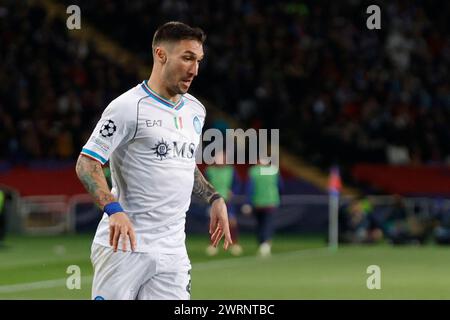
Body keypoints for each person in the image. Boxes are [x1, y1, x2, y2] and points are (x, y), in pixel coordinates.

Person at [75, 21, 232, 300]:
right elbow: (87, 163)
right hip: (124, 247)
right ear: (160, 55)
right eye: (187, 58)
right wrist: (114, 210)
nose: (195, 70)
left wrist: (214, 197)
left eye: (198, 60)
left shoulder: (196, 110)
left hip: (173, 252)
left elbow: (184, 164)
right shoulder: (127, 108)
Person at [205, 150, 242, 256]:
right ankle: (213, 245)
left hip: (227, 201)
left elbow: (237, 184)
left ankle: (234, 244)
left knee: (231, 221)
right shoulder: (209, 170)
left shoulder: (231, 170)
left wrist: (233, 192)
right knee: (213, 222)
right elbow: (205, 184)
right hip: (214, 201)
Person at [243, 161, 282, 257]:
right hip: (269, 202)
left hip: (260, 202)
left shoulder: (253, 171)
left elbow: (249, 188)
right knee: (265, 224)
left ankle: (264, 243)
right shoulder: (273, 170)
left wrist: (247, 203)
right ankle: (264, 243)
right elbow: (280, 186)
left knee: (263, 224)